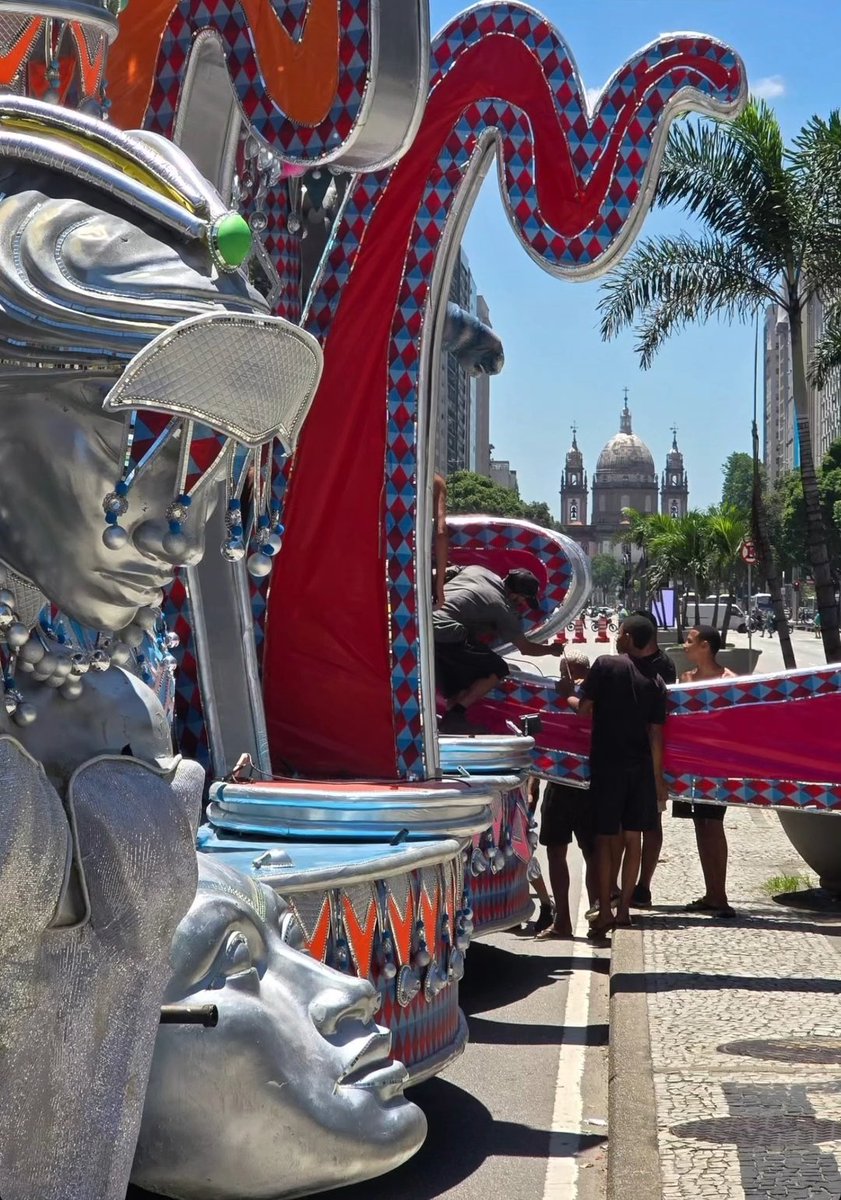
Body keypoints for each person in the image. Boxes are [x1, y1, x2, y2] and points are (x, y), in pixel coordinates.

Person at [576, 615, 669, 939]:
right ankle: (625, 911)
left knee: (604, 839)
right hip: (641, 770)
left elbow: (583, 707)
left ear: (628, 636)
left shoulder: (605, 665)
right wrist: (658, 780)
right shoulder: (656, 682)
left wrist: (566, 693)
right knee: (634, 839)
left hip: (608, 766)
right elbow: (656, 735)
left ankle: (604, 910)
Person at [433, 565, 564, 732]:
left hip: (425, 623)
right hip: (448, 630)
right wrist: (551, 650)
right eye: (523, 600)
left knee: (460, 680)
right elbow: (526, 648)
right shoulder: (501, 607)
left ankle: (452, 722)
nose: (522, 605)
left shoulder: (478, 570)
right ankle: (455, 716)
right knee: (498, 669)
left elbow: (448, 571)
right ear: (514, 594)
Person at [673, 625, 736, 918]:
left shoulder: (729, 681)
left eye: (690, 641)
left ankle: (719, 894)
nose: (685, 646)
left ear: (706, 647)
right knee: (700, 826)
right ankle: (711, 893)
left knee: (714, 825)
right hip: (689, 766)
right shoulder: (685, 679)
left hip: (716, 767)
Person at [534, 650, 597, 940]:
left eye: (564, 670)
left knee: (560, 852)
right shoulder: (591, 692)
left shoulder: (567, 693)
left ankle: (566, 922)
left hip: (568, 784)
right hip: (580, 784)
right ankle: (593, 917)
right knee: (591, 853)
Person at [629, 610, 677, 910]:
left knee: (651, 824)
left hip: (651, 755)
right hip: (632, 753)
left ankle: (643, 885)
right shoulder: (630, 662)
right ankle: (627, 886)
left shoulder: (663, 667)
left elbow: (660, 721)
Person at [432, 473, 449, 609]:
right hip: (412, 566)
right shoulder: (434, 481)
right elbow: (441, 532)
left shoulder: (380, 473)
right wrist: (439, 586)